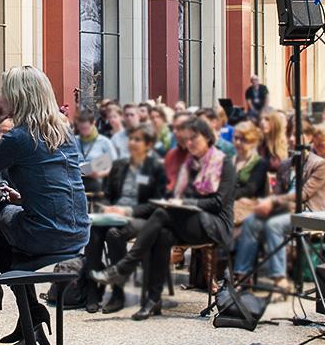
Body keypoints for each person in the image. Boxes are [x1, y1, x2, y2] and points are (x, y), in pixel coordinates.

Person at [93, 118, 235, 320]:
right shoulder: (190, 166)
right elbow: (181, 195)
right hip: (188, 222)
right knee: (162, 233)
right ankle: (153, 299)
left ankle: (125, 266)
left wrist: (187, 204)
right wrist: (178, 202)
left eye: (195, 138)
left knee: (161, 214)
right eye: (188, 139)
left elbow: (219, 203)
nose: (190, 142)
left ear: (207, 137)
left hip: (215, 224)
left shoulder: (223, 163)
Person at [0, 66, 90, 276]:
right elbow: (55, 183)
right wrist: (25, 199)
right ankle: (19, 284)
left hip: (44, 235)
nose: (0, 98)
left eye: (4, 92)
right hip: (79, 232)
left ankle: (14, 286)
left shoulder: (17, 137)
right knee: (8, 210)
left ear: (17, 97)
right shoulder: (64, 132)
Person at [232, 122, 325, 290]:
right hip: (285, 210)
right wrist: (267, 203)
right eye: (290, 135)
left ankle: (278, 277)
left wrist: (273, 202)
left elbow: (304, 194)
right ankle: (242, 274)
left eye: (297, 135)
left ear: (308, 138)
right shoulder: (285, 165)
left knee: (273, 225)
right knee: (251, 221)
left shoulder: (320, 164)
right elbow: (277, 192)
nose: (292, 139)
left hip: (309, 213)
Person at [81, 125, 167, 313]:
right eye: (131, 139)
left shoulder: (156, 168)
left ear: (149, 144)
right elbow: (108, 193)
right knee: (94, 231)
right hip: (114, 214)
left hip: (141, 217)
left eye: (138, 140)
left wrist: (127, 210)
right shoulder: (120, 165)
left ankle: (117, 293)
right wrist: (106, 206)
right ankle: (91, 290)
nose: (132, 143)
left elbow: (156, 203)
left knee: (114, 234)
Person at [75, 107, 117, 195]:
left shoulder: (104, 142)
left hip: (96, 183)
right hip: (77, 183)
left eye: (86, 128)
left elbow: (114, 165)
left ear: (93, 123)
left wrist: (100, 174)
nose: (83, 131)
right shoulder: (74, 141)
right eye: (81, 128)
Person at [162, 112, 194, 192]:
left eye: (180, 127)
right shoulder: (170, 154)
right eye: (174, 128)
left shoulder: (200, 155)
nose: (175, 131)